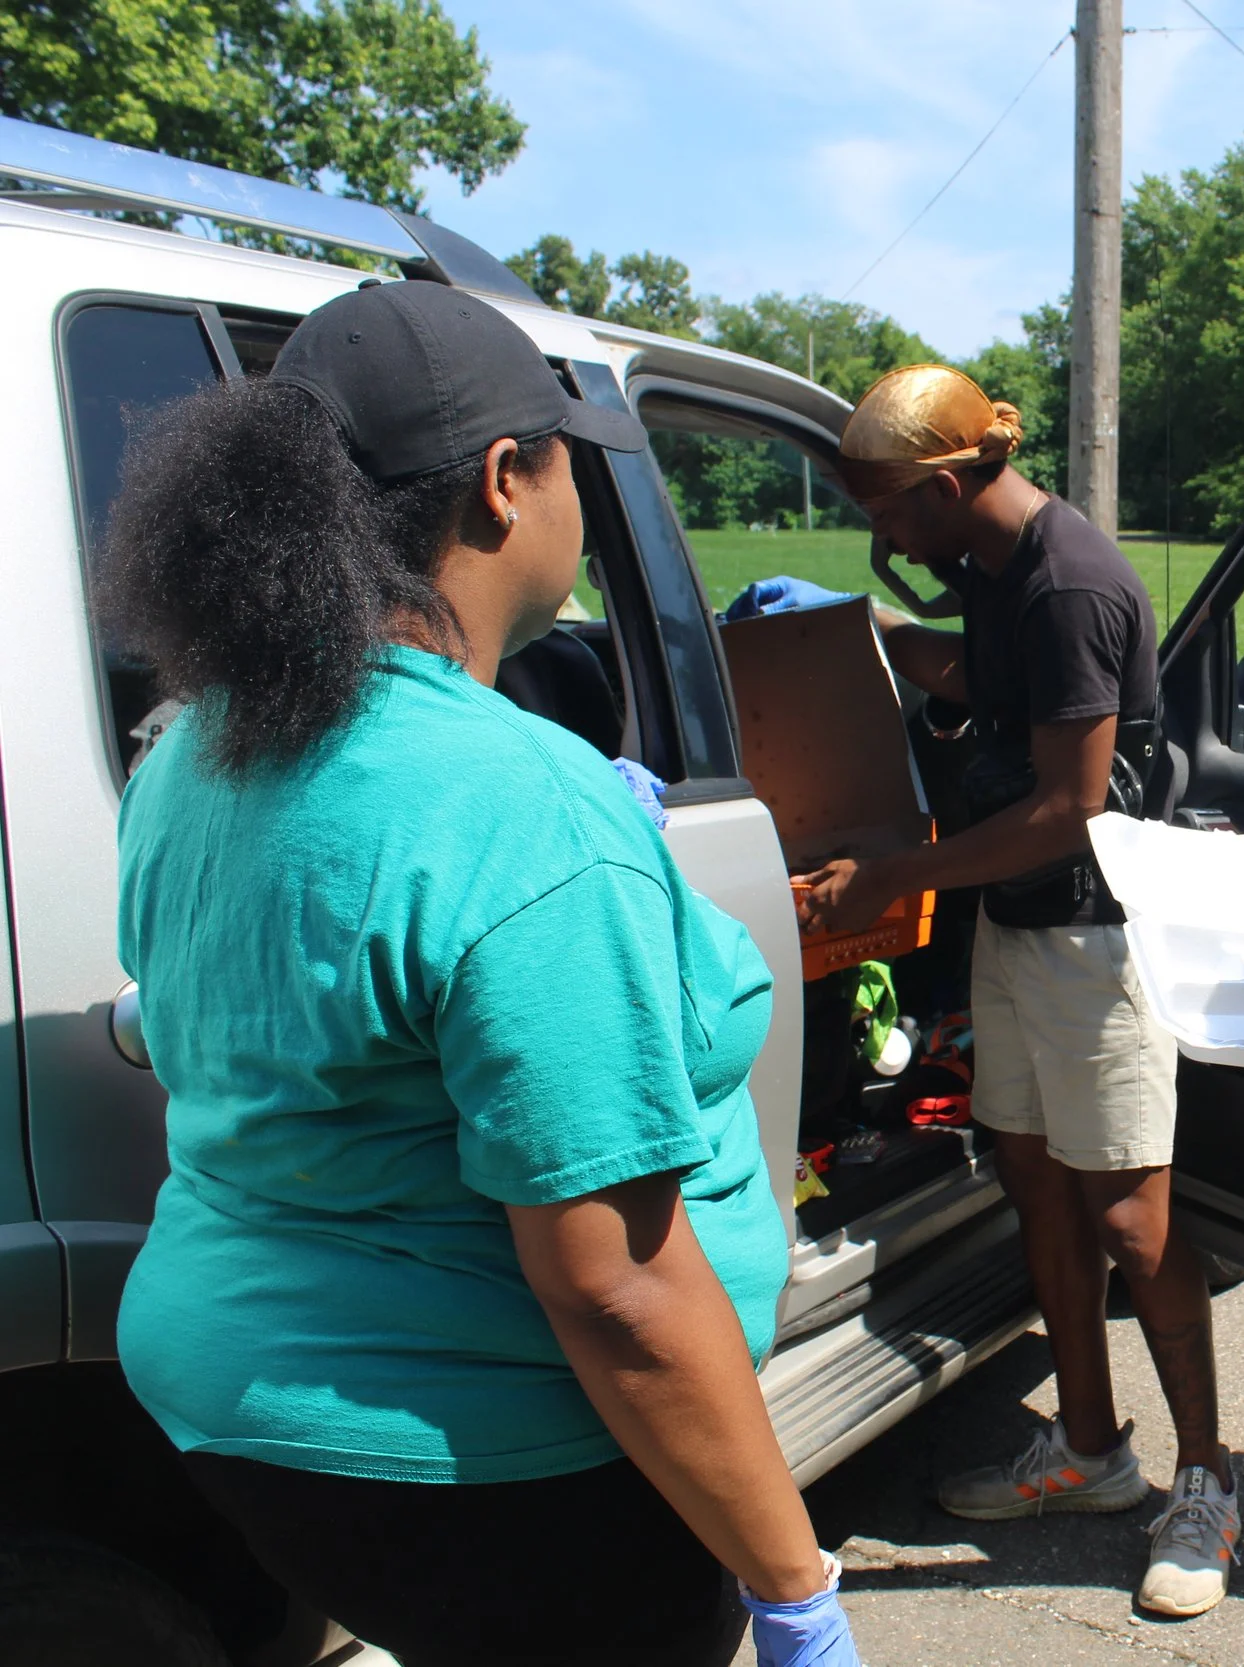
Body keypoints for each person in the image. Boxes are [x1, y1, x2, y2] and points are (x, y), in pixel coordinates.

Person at [99, 282, 856, 1667]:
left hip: (238, 1405)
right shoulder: (519, 805)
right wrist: (792, 1582)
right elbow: (617, 1286)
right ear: (507, 484)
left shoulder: (198, 744)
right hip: (504, 1469)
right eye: (566, 454)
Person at [799, 365, 1233, 1619]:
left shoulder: (1069, 581)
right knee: (1034, 1183)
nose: (879, 535)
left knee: (1133, 1225)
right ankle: (1089, 1450)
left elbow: (1068, 804)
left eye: (885, 511)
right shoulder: (992, 575)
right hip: (1022, 929)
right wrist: (876, 638)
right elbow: (1000, 690)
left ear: (943, 486)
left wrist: (895, 872)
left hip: (1099, 946)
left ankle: (1204, 1480)